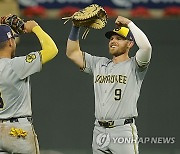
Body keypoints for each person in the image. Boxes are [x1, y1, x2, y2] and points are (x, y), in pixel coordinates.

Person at [66, 15, 152, 154]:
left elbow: (146, 48)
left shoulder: (135, 65)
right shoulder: (99, 63)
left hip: (122, 130)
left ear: (130, 44)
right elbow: (72, 52)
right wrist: (75, 27)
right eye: (111, 38)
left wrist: (129, 23)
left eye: (119, 38)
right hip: (99, 130)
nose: (113, 41)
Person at [0, 20, 58, 153]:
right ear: (10, 42)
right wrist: (35, 28)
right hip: (17, 131)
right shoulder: (17, 65)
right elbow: (52, 50)